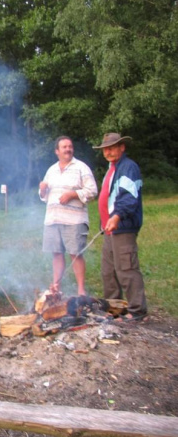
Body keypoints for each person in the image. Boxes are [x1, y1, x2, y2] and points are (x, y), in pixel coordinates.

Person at [94, 133, 147, 321]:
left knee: (127, 269)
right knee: (109, 272)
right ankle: (114, 309)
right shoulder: (112, 168)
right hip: (110, 229)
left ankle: (138, 311)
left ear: (122, 147)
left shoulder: (128, 167)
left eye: (112, 147)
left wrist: (116, 216)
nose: (107, 152)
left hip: (123, 227)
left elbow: (129, 197)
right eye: (105, 149)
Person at [39, 136, 98, 295]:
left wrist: (73, 194)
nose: (68, 149)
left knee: (75, 254)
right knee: (56, 253)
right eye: (64, 147)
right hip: (53, 219)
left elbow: (92, 191)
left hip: (74, 220)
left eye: (70, 146)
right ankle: (56, 287)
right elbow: (44, 196)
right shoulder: (51, 170)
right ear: (57, 151)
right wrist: (43, 189)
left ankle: (80, 290)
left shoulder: (81, 168)